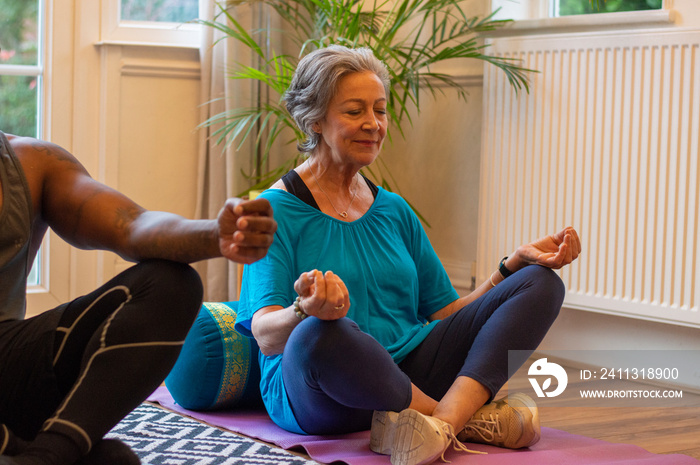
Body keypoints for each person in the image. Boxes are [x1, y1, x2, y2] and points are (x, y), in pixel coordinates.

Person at [235, 45, 581, 465]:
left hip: (412, 369)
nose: (373, 124)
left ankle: (439, 422)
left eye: (380, 110)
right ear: (314, 120)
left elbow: (445, 314)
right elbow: (266, 335)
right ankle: (459, 419)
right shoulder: (271, 212)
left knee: (539, 282)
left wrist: (510, 267)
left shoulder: (394, 209)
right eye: (354, 111)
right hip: (324, 392)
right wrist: (303, 310)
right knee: (319, 333)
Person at [0, 131, 277, 465]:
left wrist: (213, 234)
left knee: (172, 283)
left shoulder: (32, 161)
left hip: (10, 363)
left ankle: (51, 452)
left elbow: (132, 224)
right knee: (113, 460)